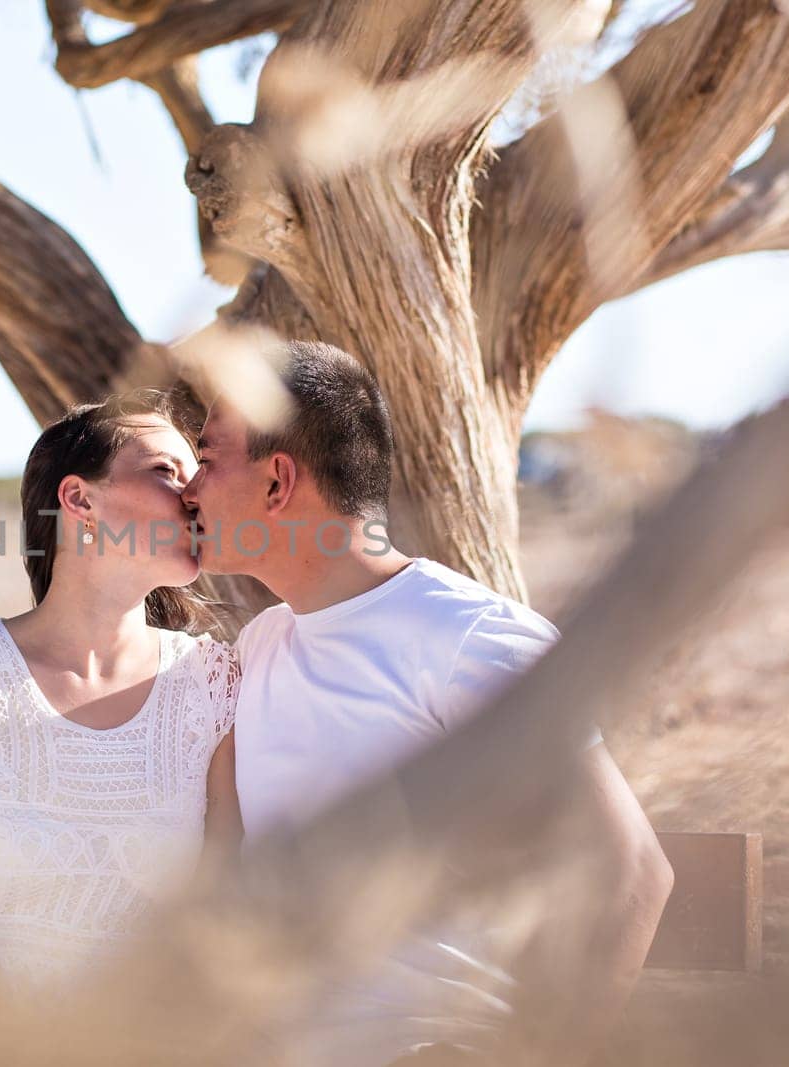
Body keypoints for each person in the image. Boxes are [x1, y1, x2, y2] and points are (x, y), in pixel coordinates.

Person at [179, 339, 675, 1066]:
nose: (188, 485)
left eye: (208, 454)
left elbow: (631, 871)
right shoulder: (260, 646)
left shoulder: (473, 639)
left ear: (278, 482)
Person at [0, 389, 241, 1038]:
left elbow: (220, 923)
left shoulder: (212, 684)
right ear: (80, 499)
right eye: (166, 471)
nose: (194, 495)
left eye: (196, 475)